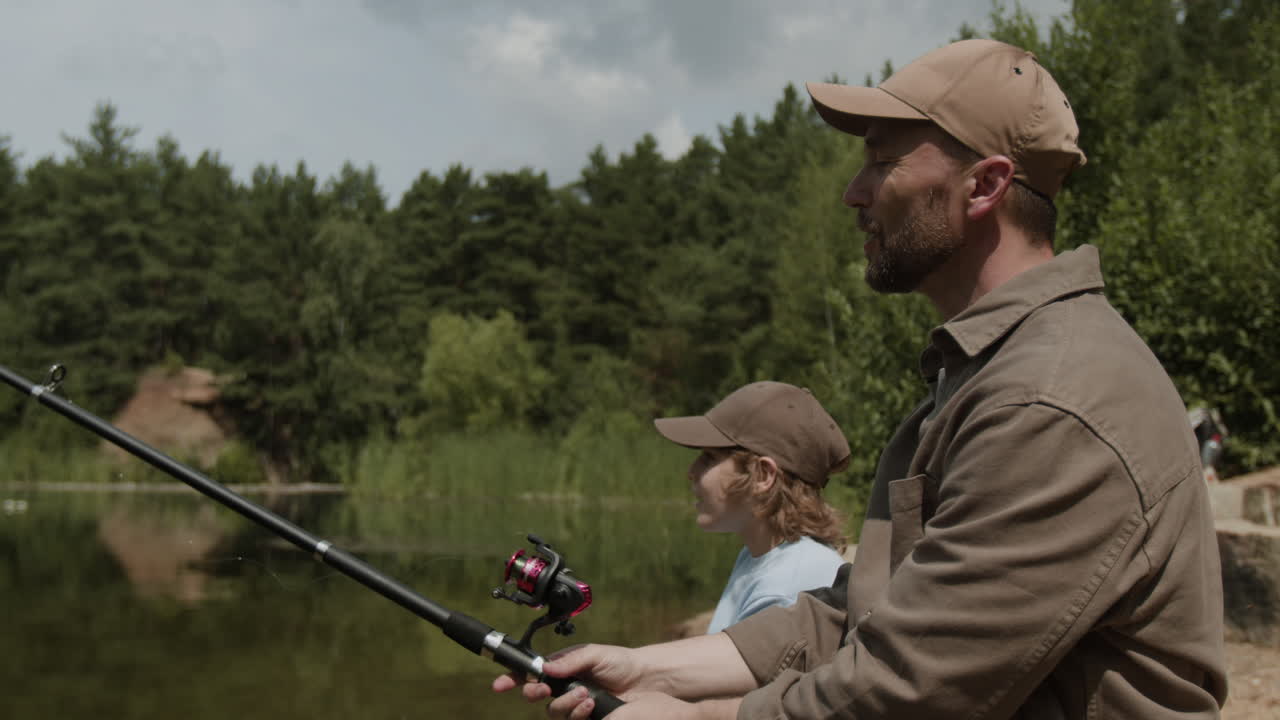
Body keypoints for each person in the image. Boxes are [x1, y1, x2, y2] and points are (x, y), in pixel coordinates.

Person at [494, 38, 1228, 719]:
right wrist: (651, 670)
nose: (854, 191)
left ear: (984, 185)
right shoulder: (986, 373)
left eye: (883, 162)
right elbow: (862, 614)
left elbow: (914, 686)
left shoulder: (1052, 402)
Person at [653, 381, 851, 635]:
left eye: (710, 458)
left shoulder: (788, 587)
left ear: (762, 475)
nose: (692, 472)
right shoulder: (761, 555)